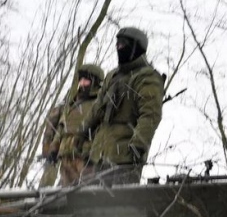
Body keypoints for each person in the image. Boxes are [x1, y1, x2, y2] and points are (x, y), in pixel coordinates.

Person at [81, 27, 164, 185]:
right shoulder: (112, 76)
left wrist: (138, 145)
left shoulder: (147, 76)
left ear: (136, 47)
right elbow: (97, 110)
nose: (119, 48)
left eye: (124, 44)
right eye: (117, 44)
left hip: (124, 158)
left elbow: (150, 115)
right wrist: (83, 134)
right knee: (89, 205)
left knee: (118, 206)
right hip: (99, 155)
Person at [54, 64, 104, 186]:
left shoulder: (100, 102)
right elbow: (61, 128)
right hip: (66, 154)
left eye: (86, 80)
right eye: (80, 80)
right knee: (63, 194)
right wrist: (53, 148)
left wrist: (94, 154)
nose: (82, 83)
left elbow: (103, 131)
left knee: (86, 193)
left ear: (95, 82)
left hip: (85, 156)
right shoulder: (72, 103)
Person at [38, 104, 63, 187]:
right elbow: (49, 130)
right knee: (50, 174)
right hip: (55, 148)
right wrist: (47, 149)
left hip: (65, 147)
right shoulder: (61, 108)